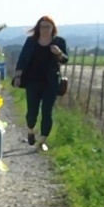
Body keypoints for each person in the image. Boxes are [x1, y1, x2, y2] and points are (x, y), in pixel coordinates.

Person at [14, 15, 67, 150]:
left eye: (47, 27)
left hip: (51, 82)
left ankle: (43, 140)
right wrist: (18, 76)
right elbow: (23, 59)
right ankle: (31, 130)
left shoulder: (59, 42)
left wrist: (59, 53)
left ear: (52, 28)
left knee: (47, 111)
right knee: (32, 111)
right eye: (42, 26)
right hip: (32, 81)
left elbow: (65, 59)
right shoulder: (31, 41)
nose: (44, 29)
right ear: (38, 28)